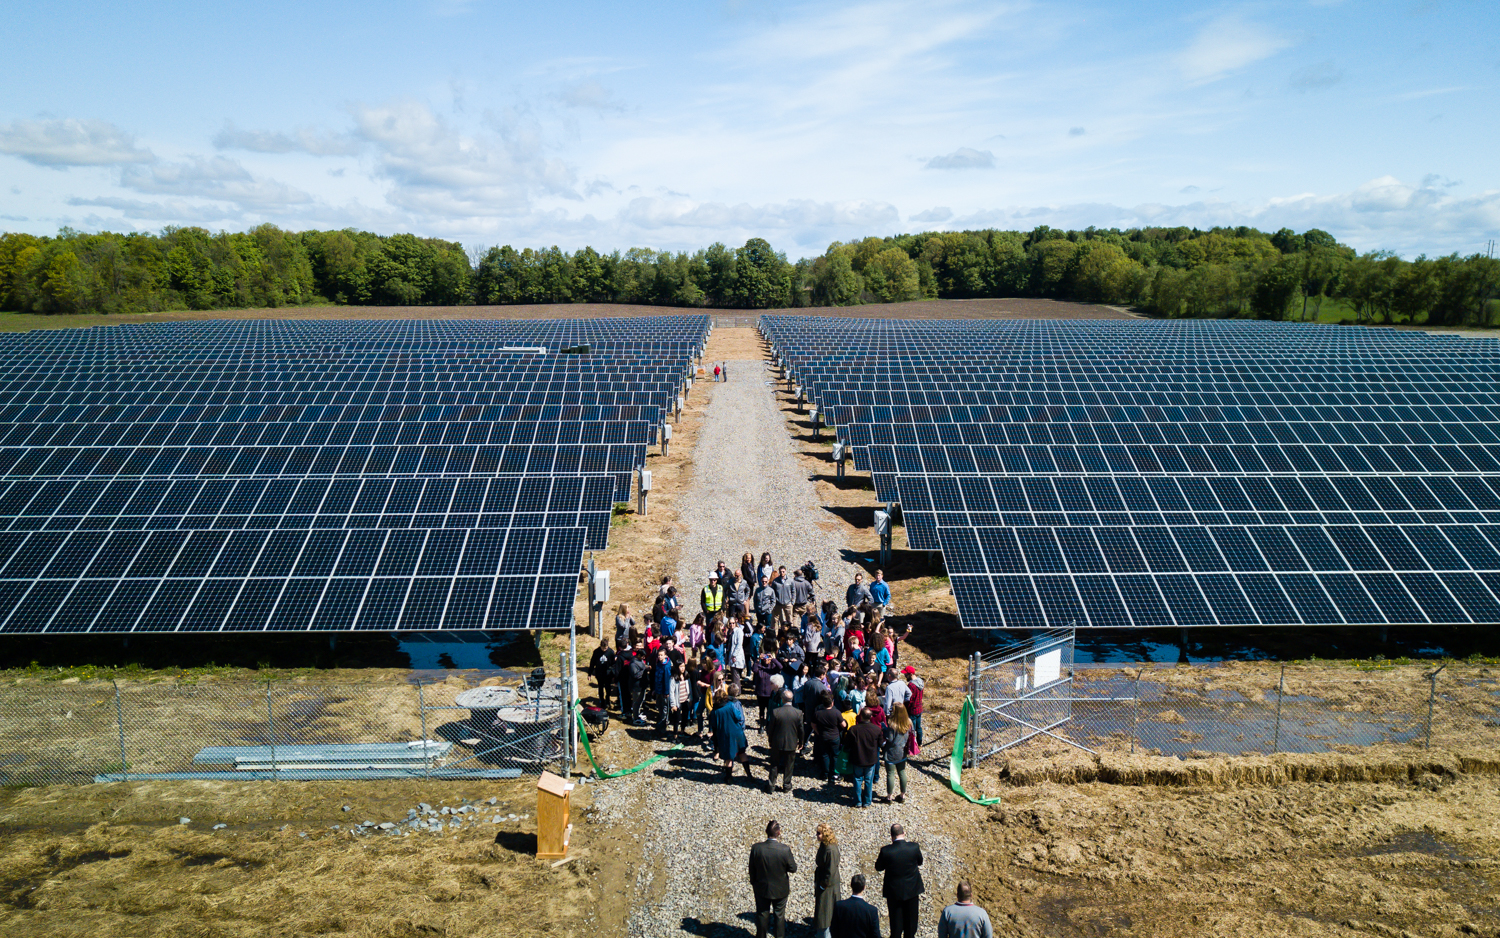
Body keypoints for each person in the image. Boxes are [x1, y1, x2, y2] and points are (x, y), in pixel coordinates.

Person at [748, 819, 797, 938]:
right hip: (780, 889)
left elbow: (751, 868)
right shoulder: (784, 849)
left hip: (761, 888)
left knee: (762, 914)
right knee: (779, 916)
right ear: (779, 833)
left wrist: (754, 882)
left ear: (766, 832)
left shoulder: (756, 848)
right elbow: (793, 868)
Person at [874, 824, 924, 938]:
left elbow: (878, 867)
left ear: (891, 836)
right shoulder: (914, 847)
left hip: (894, 893)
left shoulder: (886, 851)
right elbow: (920, 862)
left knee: (896, 927)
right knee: (911, 927)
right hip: (912, 891)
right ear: (904, 833)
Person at [710, 686, 754, 780]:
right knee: (742, 753)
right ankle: (749, 775)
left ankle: (729, 777)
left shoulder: (714, 712)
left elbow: (714, 725)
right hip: (737, 732)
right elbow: (738, 716)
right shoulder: (730, 705)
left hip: (725, 735)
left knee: (729, 756)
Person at [766, 688, 803, 793]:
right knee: (789, 765)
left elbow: (771, 728)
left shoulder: (776, 712)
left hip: (777, 742)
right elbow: (801, 730)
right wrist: (801, 742)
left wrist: (770, 740)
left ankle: (771, 785)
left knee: (774, 764)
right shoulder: (798, 713)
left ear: (782, 699)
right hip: (791, 743)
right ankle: (786, 785)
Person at [846, 709, 882, 808]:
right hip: (870, 759)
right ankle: (867, 801)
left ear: (860, 716)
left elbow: (847, 744)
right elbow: (880, 744)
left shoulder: (853, 729)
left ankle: (857, 801)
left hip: (857, 758)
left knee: (857, 779)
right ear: (871, 717)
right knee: (868, 780)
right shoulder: (877, 729)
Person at [878, 703, 913, 804]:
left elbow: (890, 739)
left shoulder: (892, 724)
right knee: (902, 772)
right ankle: (902, 795)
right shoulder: (909, 722)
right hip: (902, 751)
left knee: (890, 774)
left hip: (891, 752)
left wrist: (884, 728)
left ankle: (889, 797)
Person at [812, 823, 841, 938]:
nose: (817, 835)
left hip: (828, 887)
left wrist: (823, 885)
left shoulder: (830, 850)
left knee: (825, 912)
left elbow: (831, 871)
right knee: (822, 910)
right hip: (823, 882)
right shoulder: (824, 845)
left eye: (819, 833)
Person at [830, 873, 880, 938]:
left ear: (851, 886)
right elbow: (876, 935)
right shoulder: (872, 910)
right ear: (864, 887)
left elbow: (833, 930)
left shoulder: (839, 906)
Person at [812, 691, 845, 787]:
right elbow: (843, 725)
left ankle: (825, 773)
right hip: (834, 737)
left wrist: (818, 732)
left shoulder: (818, 713)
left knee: (824, 755)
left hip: (823, 736)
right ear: (832, 702)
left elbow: (813, 724)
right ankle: (834, 774)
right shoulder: (836, 712)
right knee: (835, 755)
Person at [588, 637, 615, 709]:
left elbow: (613, 664)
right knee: (600, 687)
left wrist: (613, 673)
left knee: (608, 687)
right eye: (603, 648)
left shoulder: (611, 652)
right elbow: (592, 663)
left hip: (608, 673)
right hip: (599, 673)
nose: (604, 650)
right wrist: (589, 673)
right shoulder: (596, 652)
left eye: (605, 648)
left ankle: (607, 699)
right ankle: (602, 700)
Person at [902, 665, 925, 746]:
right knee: (919, 728)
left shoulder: (911, 685)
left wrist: (904, 707)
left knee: (912, 729)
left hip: (912, 710)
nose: (905, 676)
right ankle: (920, 743)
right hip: (919, 708)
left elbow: (909, 700)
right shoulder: (921, 681)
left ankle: (913, 746)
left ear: (910, 674)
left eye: (906, 674)